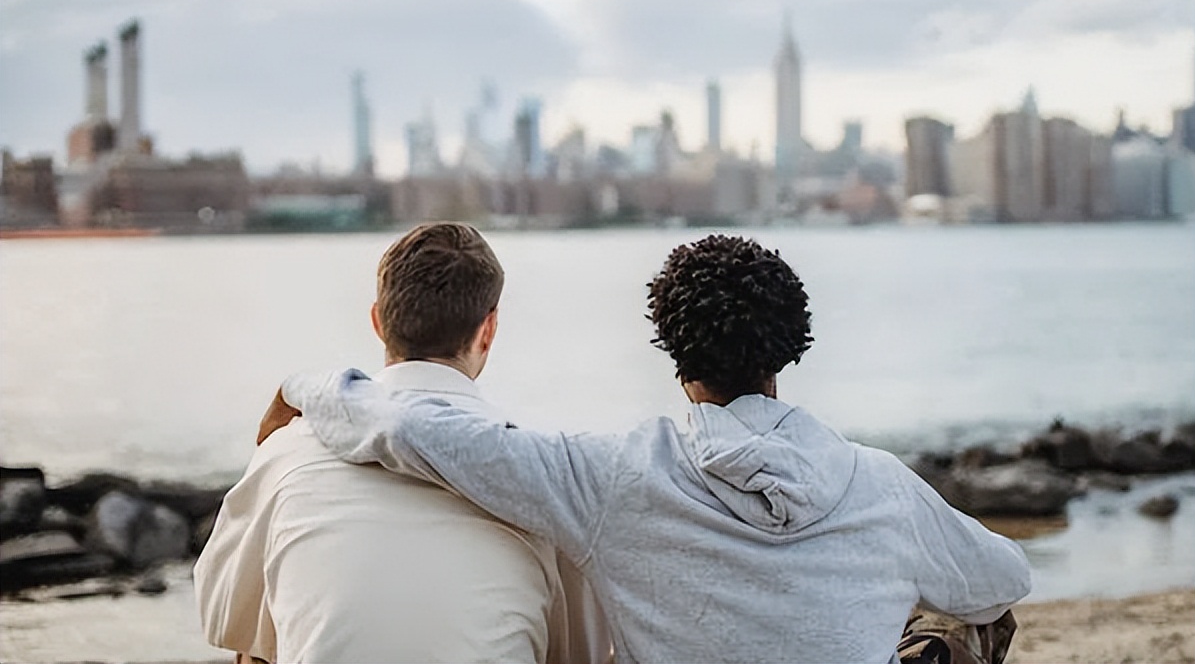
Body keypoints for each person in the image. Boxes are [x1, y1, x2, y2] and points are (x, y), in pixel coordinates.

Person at [264, 233, 1031, 664]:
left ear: (672, 349)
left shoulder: (608, 477)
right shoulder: (881, 486)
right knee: (961, 626)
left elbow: (415, 429)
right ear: (789, 347)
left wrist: (305, 387)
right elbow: (1003, 580)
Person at [194, 223, 609, 664]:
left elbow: (221, 615)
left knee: (254, 650)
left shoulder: (289, 451)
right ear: (488, 330)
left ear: (378, 321)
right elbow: (581, 653)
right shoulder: (545, 479)